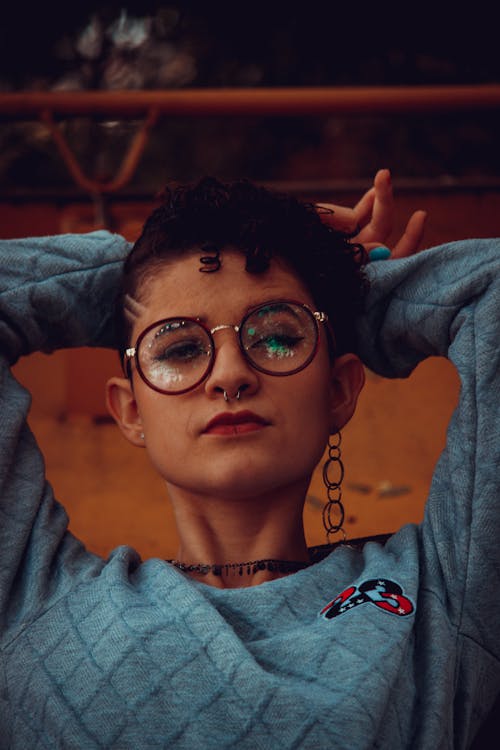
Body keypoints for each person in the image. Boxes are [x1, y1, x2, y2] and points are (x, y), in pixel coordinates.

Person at [0, 170, 497, 748]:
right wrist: (143, 271)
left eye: (279, 337)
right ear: (131, 410)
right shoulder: (33, 603)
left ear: (339, 390)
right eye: (180, 347)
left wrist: (343, 286)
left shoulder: (442, 601)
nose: (231, 374)